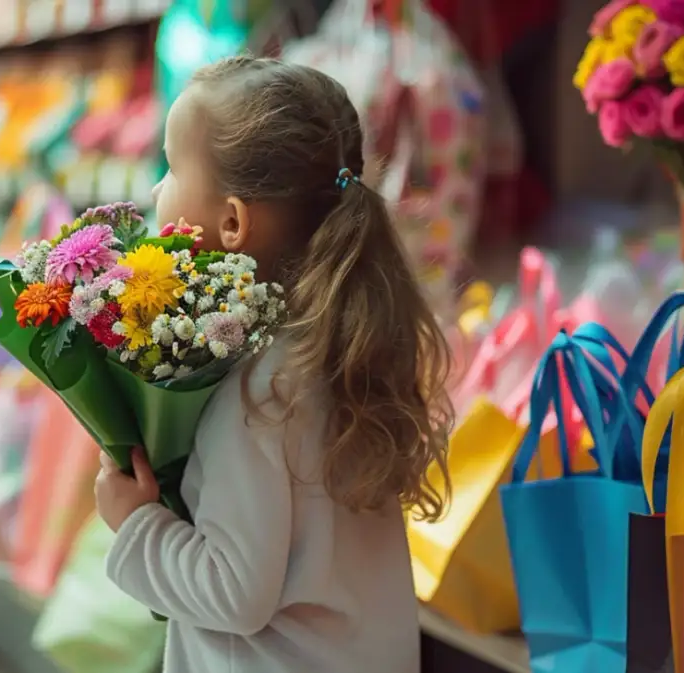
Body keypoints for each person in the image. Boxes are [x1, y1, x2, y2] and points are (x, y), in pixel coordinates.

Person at [94, 57, 454, 673]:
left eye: (171, 168)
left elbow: (233, 593)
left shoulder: (259, 391)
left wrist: (136, 522)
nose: (156, 191)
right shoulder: (335, 348)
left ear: (233, 222)